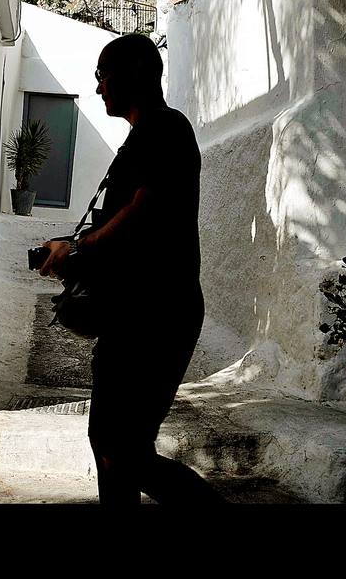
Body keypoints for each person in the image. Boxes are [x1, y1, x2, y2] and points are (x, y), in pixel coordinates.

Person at [39, 33, 226, 505]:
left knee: (121, 450)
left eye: (103, 75)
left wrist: (78, 247)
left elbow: (145, 213)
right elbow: (125, 227)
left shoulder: (167, 129)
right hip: (132, 314)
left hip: (159, 314)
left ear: (132, 75)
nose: (99, 87)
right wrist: (72, 255)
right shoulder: (144, 137)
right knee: (112, 445)